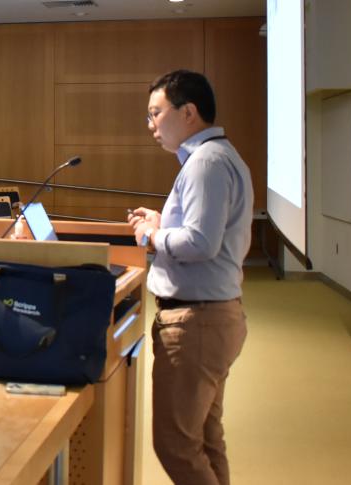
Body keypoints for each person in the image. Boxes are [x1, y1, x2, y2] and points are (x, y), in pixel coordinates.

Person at [126, 69, 252, 485]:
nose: (150, 126)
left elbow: (200, 244)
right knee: (205, 438)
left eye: (155, 114)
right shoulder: (218, 156)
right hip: (212, 316)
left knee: (177, 445)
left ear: (189, 112)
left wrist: (152, 235)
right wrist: (163, 222)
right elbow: (204, 233)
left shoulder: (206, 163)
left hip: (196, 322)